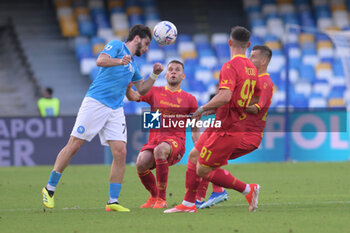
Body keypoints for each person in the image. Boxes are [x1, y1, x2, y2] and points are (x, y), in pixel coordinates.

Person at [41, 24, 164, 212]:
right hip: (96, 102)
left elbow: (141, 89)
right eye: (146, 44)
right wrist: (119, 61)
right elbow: (100, 60)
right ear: (137, 39)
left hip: (115, 109)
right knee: (74, 144)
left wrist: (154, 74)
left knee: (120, 152)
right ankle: (49, 189)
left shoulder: (133, 65)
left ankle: (112, 201)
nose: (147, 49)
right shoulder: (117, 46)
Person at [164, 26, 262, 213]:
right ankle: (188, 204)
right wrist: (226, 107)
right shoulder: (252, 68)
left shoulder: (229, 66)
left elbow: (225, 96)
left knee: (203, 169)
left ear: (229, 43)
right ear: (248, 45)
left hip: (227, 128)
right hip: (227, 123)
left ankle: (248, 189)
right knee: (193, 155)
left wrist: (202, 108)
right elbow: (255, 98)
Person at [195, 44, 274, 209]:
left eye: (253, 57)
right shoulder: (250, 77)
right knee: (204, 156)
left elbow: (255, 108)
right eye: (249, 55)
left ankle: (218, 192)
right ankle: (203, 196)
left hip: (248, 136)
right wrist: (219, 107)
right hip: (235, 129)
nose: (249, 58)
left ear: (264, 60)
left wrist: (230, 103)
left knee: (206, 159)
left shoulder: (265, 82)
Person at [126, 60, 200, 209]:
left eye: (177, 70)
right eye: (171, 69)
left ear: (183, 76)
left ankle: (162, 199)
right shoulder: (155, 92)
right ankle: (154, 196)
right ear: (165, 75)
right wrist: (127, 88)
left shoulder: (190, 99)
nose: (173, 72)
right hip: (155, 141)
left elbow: (195, 127)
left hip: (175, 143)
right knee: (141, 163)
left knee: (160, 150)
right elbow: (133, 97)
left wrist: (199, 147)